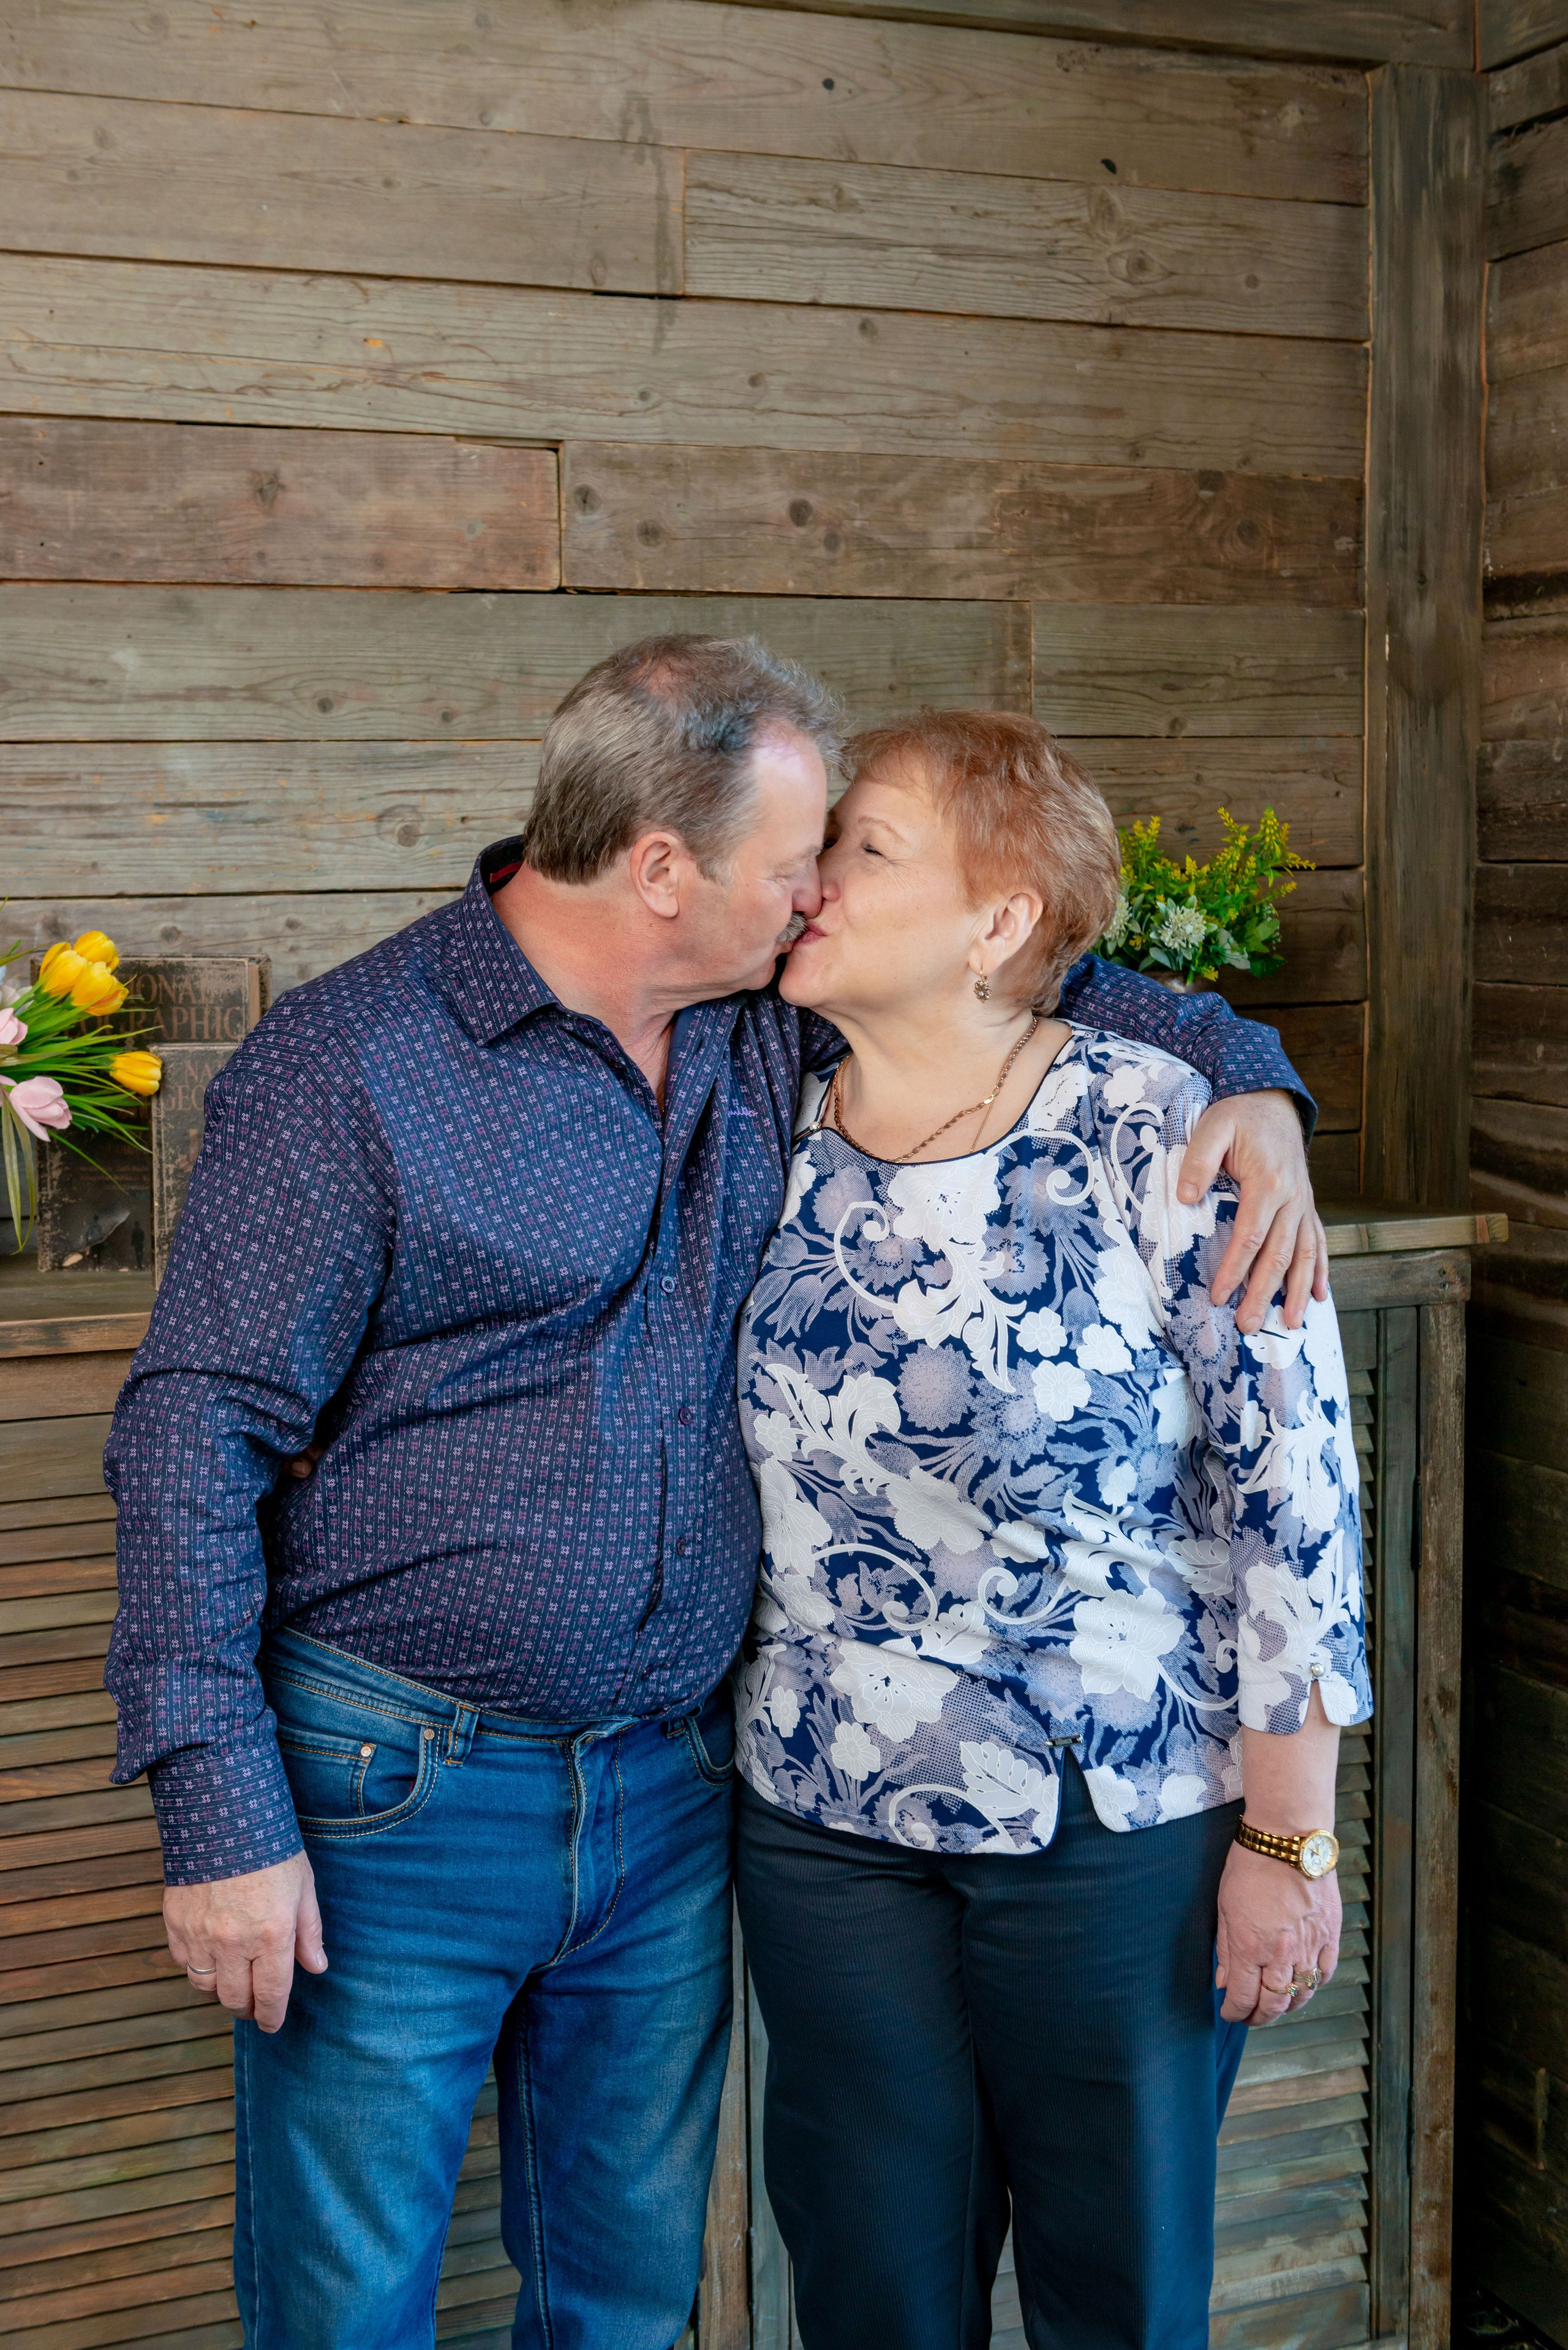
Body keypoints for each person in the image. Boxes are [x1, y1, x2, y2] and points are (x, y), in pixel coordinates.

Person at [106, 638, 1329, 2350]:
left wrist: (1254, 1082)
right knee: (346, 2304)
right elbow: (189, 1436)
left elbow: (1045, 971)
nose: (818, 889)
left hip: (678, 1798)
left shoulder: (765, 1031)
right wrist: (219, 1814)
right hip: (398, 1794)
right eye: (795, 861)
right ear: (663, 869)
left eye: (846, 857)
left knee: (624, 2295)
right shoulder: (351, 1066)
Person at [732, 709, 1370, 2350]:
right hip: (827, 1822)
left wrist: (1290, 1844)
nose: (813, 879)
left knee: (1117, 2295)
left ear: (1001, 920)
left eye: (866, 849)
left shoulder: (1177, 1129)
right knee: (871, 2293)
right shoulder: (756, 1121)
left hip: (1119, 1832)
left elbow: (1291, 1509)